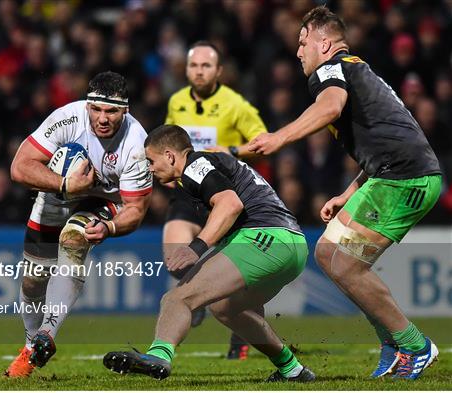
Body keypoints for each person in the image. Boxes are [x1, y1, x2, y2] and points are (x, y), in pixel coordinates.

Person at [249, 6, 441, 380]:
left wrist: (279, 137)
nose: (298, 51)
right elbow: (385, 142)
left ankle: (415, 345)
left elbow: (330, 106)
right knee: (327, 253)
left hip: (404, 179)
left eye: (303, 42)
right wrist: (347, 193)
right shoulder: (354, 68)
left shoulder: (331, 69)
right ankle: (391, 342)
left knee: (349, 264)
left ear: (324, 42)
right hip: (389, 175)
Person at [102, 124, 315, 383]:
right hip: (292, 246)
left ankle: (159, 355)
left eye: (151, 161)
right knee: (226, 308)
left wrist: (197, 247)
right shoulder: (206, 167)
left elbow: (230, 204)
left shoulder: (195, 164)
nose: (150, 168)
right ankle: (292, 370)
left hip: (262, 238)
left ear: (170, 156)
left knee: (177, 299)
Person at [5, 71, 152, 377]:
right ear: (87, 105)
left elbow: (136, 209)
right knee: (33, 280)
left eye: (111, 111)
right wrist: (63, 184)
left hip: (104, 202)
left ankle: (46, 335)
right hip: (59, 193)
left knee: (74, 238)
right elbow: (19, 167)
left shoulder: (137, 144)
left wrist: (110, 228)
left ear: (125, 110)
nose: (102, 118)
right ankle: (31, 346)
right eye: (96, 109)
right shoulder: (67, 118)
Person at [164, 40, 268, 360]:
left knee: (241, 277)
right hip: (187, 192)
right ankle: (193, 299)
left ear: (219, 71)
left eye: (206, 66)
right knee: (174, 253)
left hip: (223, 193)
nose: (199, 71)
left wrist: (232, 152)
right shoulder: (177, 102)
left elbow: (262, 141)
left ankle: (242, 342)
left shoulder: (235, 104)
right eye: (194, 65)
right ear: (186, 70)